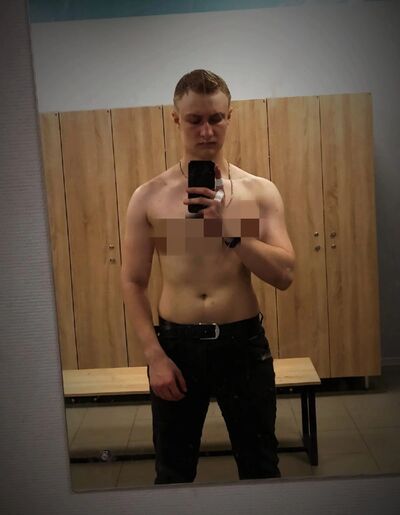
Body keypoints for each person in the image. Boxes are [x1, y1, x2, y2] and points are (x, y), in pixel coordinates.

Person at [121, 69, 295, 484]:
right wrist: (155, 356)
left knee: (260, 467)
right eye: (194, 119)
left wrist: (229, 231)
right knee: (173, 472)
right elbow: (133, 281)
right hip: (176, 347)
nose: (206, 131)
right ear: (175, 119)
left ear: (229, 117)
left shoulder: (258, 192)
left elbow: (284, 274)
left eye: (216, 118)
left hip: (242, 344)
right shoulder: (149, 197)